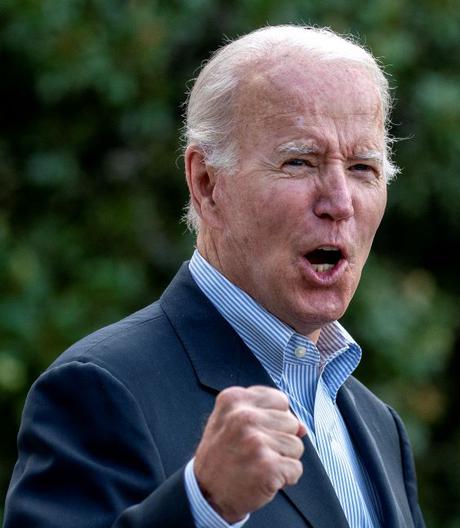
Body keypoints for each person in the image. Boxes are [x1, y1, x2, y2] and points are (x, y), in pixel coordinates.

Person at [3, 25, 425, 528]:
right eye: (300, 161)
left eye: (362, 168)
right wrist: (202, 503)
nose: (339, 203)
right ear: (206, 184)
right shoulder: (99, 389)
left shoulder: (379, 427)